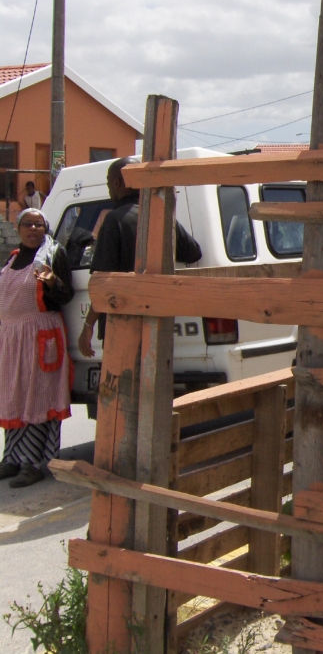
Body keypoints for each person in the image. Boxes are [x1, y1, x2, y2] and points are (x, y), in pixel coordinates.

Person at [78, 157, 202, 357]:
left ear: (117, 183)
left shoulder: (114, 220)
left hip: (121, 322)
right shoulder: (161, 216)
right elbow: (193, 252)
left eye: (109, 183)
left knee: (121, 384)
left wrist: (88, 324)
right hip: (157, 322)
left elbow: (104, 283)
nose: (110, 189)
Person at [0, 209, 74, 488]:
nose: (33, 229)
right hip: (11, 339)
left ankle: (32, 463)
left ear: (46, 228)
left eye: (38, 224)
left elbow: (65, 295)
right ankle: (11, 459)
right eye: (27, 224)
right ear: (18, 229)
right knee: (13, 395)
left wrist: (53, 281)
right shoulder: (13, 258)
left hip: (40, 335)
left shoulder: (55, 255)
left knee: (37, 397)